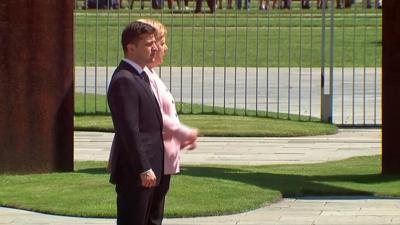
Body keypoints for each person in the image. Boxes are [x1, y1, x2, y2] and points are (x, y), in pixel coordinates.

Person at [137, 18, 199, 225]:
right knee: (148, 217)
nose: (163, 48)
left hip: (162, 158)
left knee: (154, 215)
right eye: (160, 43)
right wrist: (182, 132)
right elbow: (152, 114)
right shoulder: (143, 77)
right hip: (154, 158)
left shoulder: (151, 75)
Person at [107, 21, 164, 225]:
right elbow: (129, 130)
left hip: (151, 168)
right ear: (131, 48)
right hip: (136, 173)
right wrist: (143, 168)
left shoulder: (140, 76)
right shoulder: (124, 80)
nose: (155, 48)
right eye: (149, 44)